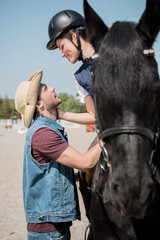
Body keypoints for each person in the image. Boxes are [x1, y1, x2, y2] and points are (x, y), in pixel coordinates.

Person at [14, 70, 101, 240]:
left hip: (52, 227)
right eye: (45, 88)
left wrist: (78, 176)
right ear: (39, 105)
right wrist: (110, 134)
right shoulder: (43, 134)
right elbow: (85, 162)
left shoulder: (47, 128)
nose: (52, 88)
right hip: (48, 232)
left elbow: (51, 173)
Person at [46, 10, 96, 125]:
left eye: (62, 47)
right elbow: (93, 116)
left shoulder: (112, 51)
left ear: (74, 37)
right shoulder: (80, 78)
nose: (62, 54)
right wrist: (60, 114)